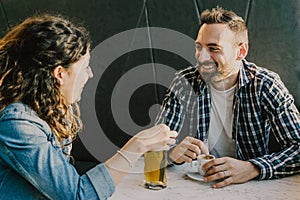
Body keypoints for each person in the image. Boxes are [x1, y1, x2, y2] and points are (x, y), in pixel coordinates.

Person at [0, 14, 178, 199]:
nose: (90, 74)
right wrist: (136, 146)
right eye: (85, 67)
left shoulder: (51, 109)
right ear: (60, 74)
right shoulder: (17, 125)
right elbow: (78, 195)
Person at [156, 6, 300, 188]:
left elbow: (298, 147)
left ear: (241, 51)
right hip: (195, 186)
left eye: (213, 48)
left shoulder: (266, 85)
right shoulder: (184, 82)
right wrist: (171, 154)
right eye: (199, 47)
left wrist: (252, 168)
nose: (201, 57)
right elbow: (152, 147)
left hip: (251, 188)